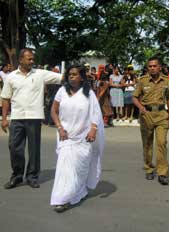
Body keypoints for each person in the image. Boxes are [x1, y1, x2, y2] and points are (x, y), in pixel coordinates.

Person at [1, 48, 62, 189]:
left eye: (33, 59)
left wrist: (80, 74)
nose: (32, 61)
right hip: (17, 118)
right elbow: (5, 98)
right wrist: (4, 119)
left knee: (34, 149)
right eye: (29, 59)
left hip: (34, 118)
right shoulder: (11, 77)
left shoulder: (40, 74)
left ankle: (32, 177)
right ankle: (17, 176)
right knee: (15, 148)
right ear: (21, 60)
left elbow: (61, 78)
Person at [50, 65, 104, 212]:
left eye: (74, 74)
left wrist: (93, 130)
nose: (71, 76)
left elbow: (95, 114)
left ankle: (79, 192)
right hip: (65, 136)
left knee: (80, 170)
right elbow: (54, 111)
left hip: (83, 138)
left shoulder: (89, 94)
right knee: (65, 169)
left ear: (81, 77)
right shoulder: (62, 91)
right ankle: (62, 199)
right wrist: (60, 128)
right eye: (69, 74)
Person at [132, 56, 169, 185]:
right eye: (150, 66)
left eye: (155, 66)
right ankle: (149, 168)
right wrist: (141, 108)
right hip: (147, 115)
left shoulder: (166, 81)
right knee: (147, 143)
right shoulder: (143, 81)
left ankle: (162, 173)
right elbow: (135, 97)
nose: (152, 68)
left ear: (160, 67)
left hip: (162, 114)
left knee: (161, 143)